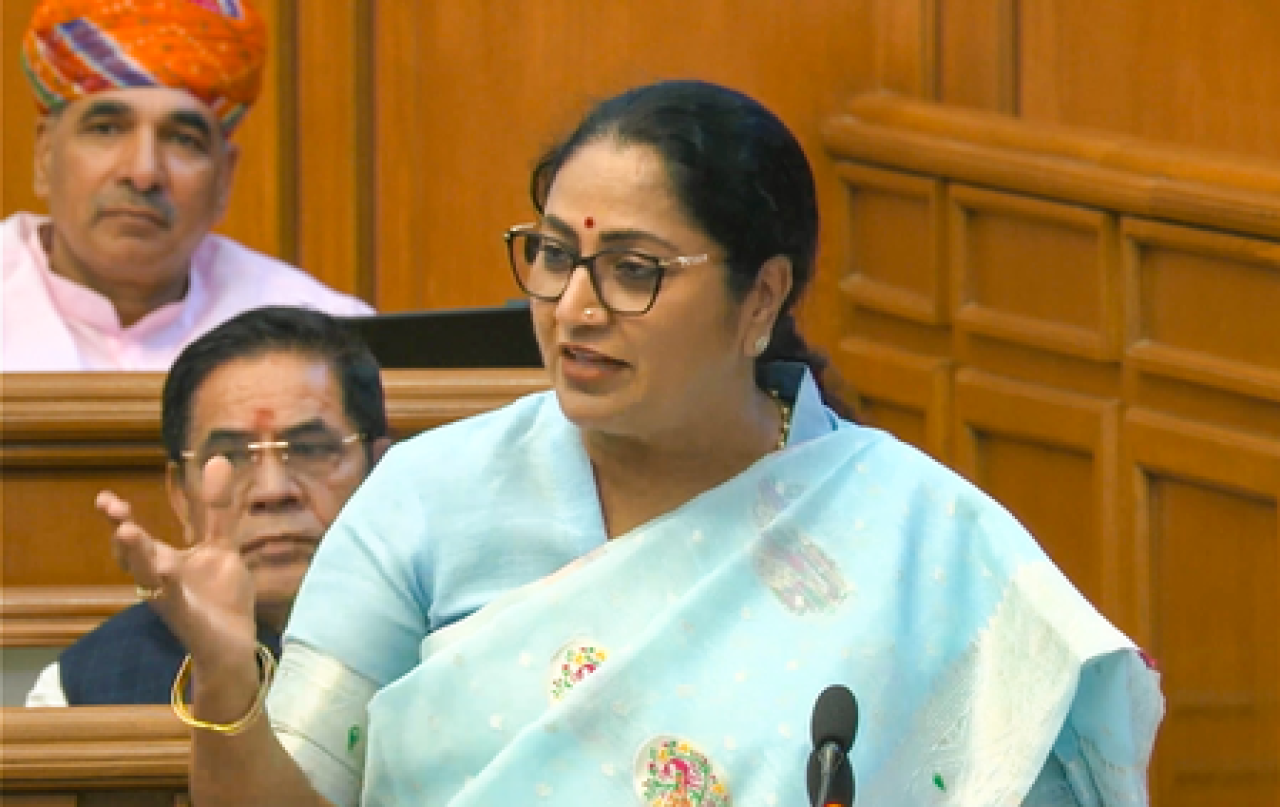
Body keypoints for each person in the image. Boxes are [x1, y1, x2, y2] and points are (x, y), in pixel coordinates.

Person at [114, 80, 1162, 806]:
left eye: (632, 270)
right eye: (552, 255)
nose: (574, 308)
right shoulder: (428, 497)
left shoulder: (914, 533)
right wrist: (226, 677)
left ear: (761, 298)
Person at [26, 306, 390, 706]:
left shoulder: (440, 647)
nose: (272, 491)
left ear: (380, 468)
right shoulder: (78, 686)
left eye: (309, 449)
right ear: (181, 496)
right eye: (229, 457)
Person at [2, 0, 373, 372]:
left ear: (224, 178)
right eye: (106, 130)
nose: (143, 173)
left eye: (183, 140)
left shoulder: (326, 342)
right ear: (45, 155)